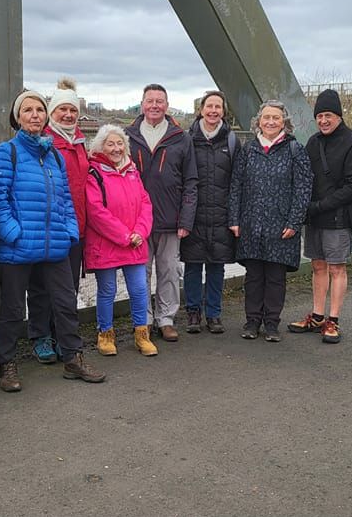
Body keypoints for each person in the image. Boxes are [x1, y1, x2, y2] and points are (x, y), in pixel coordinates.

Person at [0, 90, 105, 392]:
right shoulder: (7, 152)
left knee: (66, 302)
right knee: (13, 310)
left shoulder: (52, 154)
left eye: (39, 110)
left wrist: (69, 228)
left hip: (54, 243)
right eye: (27, 110)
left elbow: (66, 198)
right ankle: (7, 364)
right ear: (18, 117)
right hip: (17, 248)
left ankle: (73, 357)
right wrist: (13, 233)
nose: (34, 115)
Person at [287, 89, 352, 343]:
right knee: (318, 265)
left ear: (339, 116)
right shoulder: (313, 142)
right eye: (320, 115)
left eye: (328, 115)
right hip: (315, 217)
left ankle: (333, 320)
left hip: (338, 217)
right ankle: (318, 315)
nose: (323, 120)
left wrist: (320, 206)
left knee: (336, 268)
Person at [228, 99, 312, 342]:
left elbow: (303, 189)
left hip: (281, 224)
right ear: (259, 121)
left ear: (284, 121)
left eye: (276, 117)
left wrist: (294, 222)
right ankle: (252, 320)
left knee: (275, 276)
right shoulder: (249, 150)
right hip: (251, 222)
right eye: (267, 117)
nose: (271, 122)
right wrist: (234, 218)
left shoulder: (295, 150)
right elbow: (236, 186)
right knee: (254, 276)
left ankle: (272, 323)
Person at [125, 84, 198, 342]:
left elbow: (191, 181)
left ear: (167, 105)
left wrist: (186, 219)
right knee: (140, 273)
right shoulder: (128, 136)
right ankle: (142, 320)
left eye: (160, 101)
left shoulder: (181, 137)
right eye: (150, 100)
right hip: (137, 221)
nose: (154, 105)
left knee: (168, 271)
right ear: (142, 104)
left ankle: (166, 319)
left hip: (171, 219)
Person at [26, 78, 89, 364]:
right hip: (48, 225)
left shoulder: (81, 143)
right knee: (41, 286)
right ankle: (41, 336)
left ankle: (62, 335)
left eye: (72, 110)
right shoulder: (46, 143)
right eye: (62, 109)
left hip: (75, 226)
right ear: (52, 112)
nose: (68, 114)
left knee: (68, 288)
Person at [84, 125, 158, 357]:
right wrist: (125, 236)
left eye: (119, 144)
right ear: (100, 147)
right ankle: (105, 334)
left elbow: (145, 203)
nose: (116, 149)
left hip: (134, 241)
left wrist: (140, 231)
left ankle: (141, 333)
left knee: (139, 289)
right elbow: (96, 211)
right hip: (108, 243)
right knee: (107, 290)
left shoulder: (132, 172)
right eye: (110, 144)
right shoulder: (93, 173)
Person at [180, 90, 239, 335]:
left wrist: (235, 216)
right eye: (209, 106)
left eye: (218, 107)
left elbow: (237, 181)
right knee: (192, 266)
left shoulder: (232, 141)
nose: (213, 111)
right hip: (193, 214)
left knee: (217, 266)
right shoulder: (187, 139)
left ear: (223, 112)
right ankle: (193, 313)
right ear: (201, 109)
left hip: (221, 214)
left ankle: (214, 314)